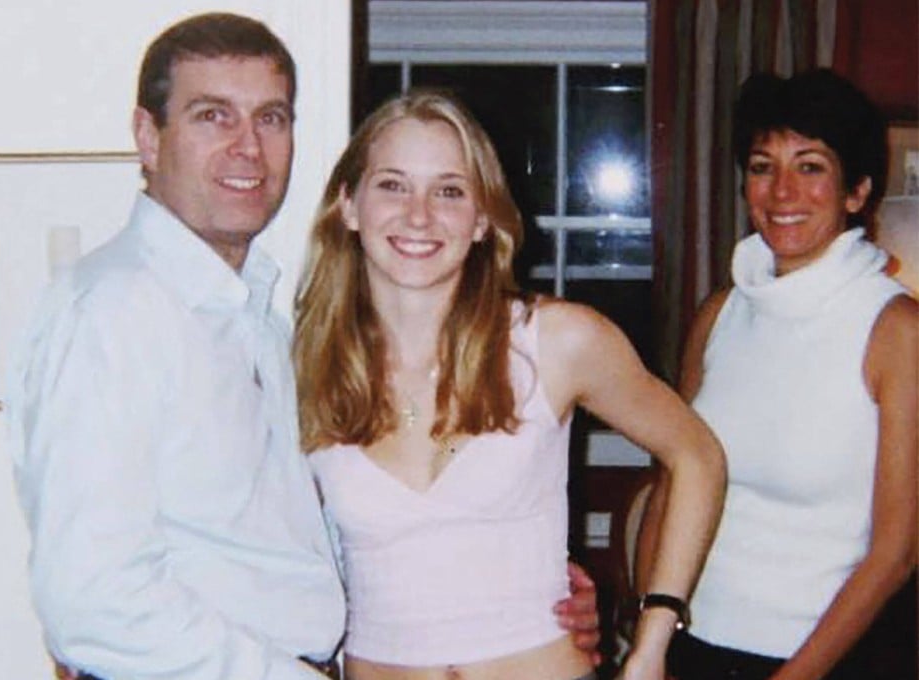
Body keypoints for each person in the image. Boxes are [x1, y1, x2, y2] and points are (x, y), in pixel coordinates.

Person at [7, 13, 600, 680]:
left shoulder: (264, 320)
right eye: (212, 116)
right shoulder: (111, 313)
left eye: (271, 118)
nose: (247, 147)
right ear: (149, 135)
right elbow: (92, 602)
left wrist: (505, 584)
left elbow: (290, 542)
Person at [293, 89, 726, 680]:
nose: (418, 215)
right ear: (348, 206)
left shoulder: (556, 341)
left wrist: (653, 642)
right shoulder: (302, 365)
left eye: (449, 191)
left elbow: (697, 455)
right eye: (392, 185)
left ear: (481, 220)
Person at [636, 69, 918, 680]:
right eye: (763, 166)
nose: (782, 190)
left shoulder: (896, 331)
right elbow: (670, 488)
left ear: (857, 191)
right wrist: (649, 637)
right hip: (691, 645)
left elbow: (897, 551)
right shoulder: (719, 313)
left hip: (821, 659)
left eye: (810, 166)